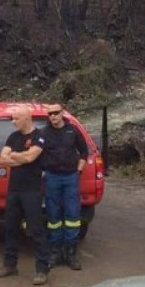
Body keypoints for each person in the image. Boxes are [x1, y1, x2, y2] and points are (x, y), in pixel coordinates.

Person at [0, 105, 50, 285]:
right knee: (11, 227)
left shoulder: (39, 136)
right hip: (14, 190)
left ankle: (42, 269)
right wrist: (21, 157)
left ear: (26, 118)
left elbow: (30, 158)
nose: (13, 122)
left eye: (16, 118)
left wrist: (16, 156)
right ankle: (10, 265)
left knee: (36, 230)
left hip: (32, 190)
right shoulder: (13, 136)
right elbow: (2, 159)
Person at [39, 103, 89, 270]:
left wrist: (79, 171)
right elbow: (37, 154)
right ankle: (55, 252)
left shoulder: (72, 131)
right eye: (50, 114)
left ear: (62, 114)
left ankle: (71, 253)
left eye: (55, 113)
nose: (53, 116)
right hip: (52, 178)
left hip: (70, 178)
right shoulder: (44, 133)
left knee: (73, 215)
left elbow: (84, 152)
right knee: (53, 216)